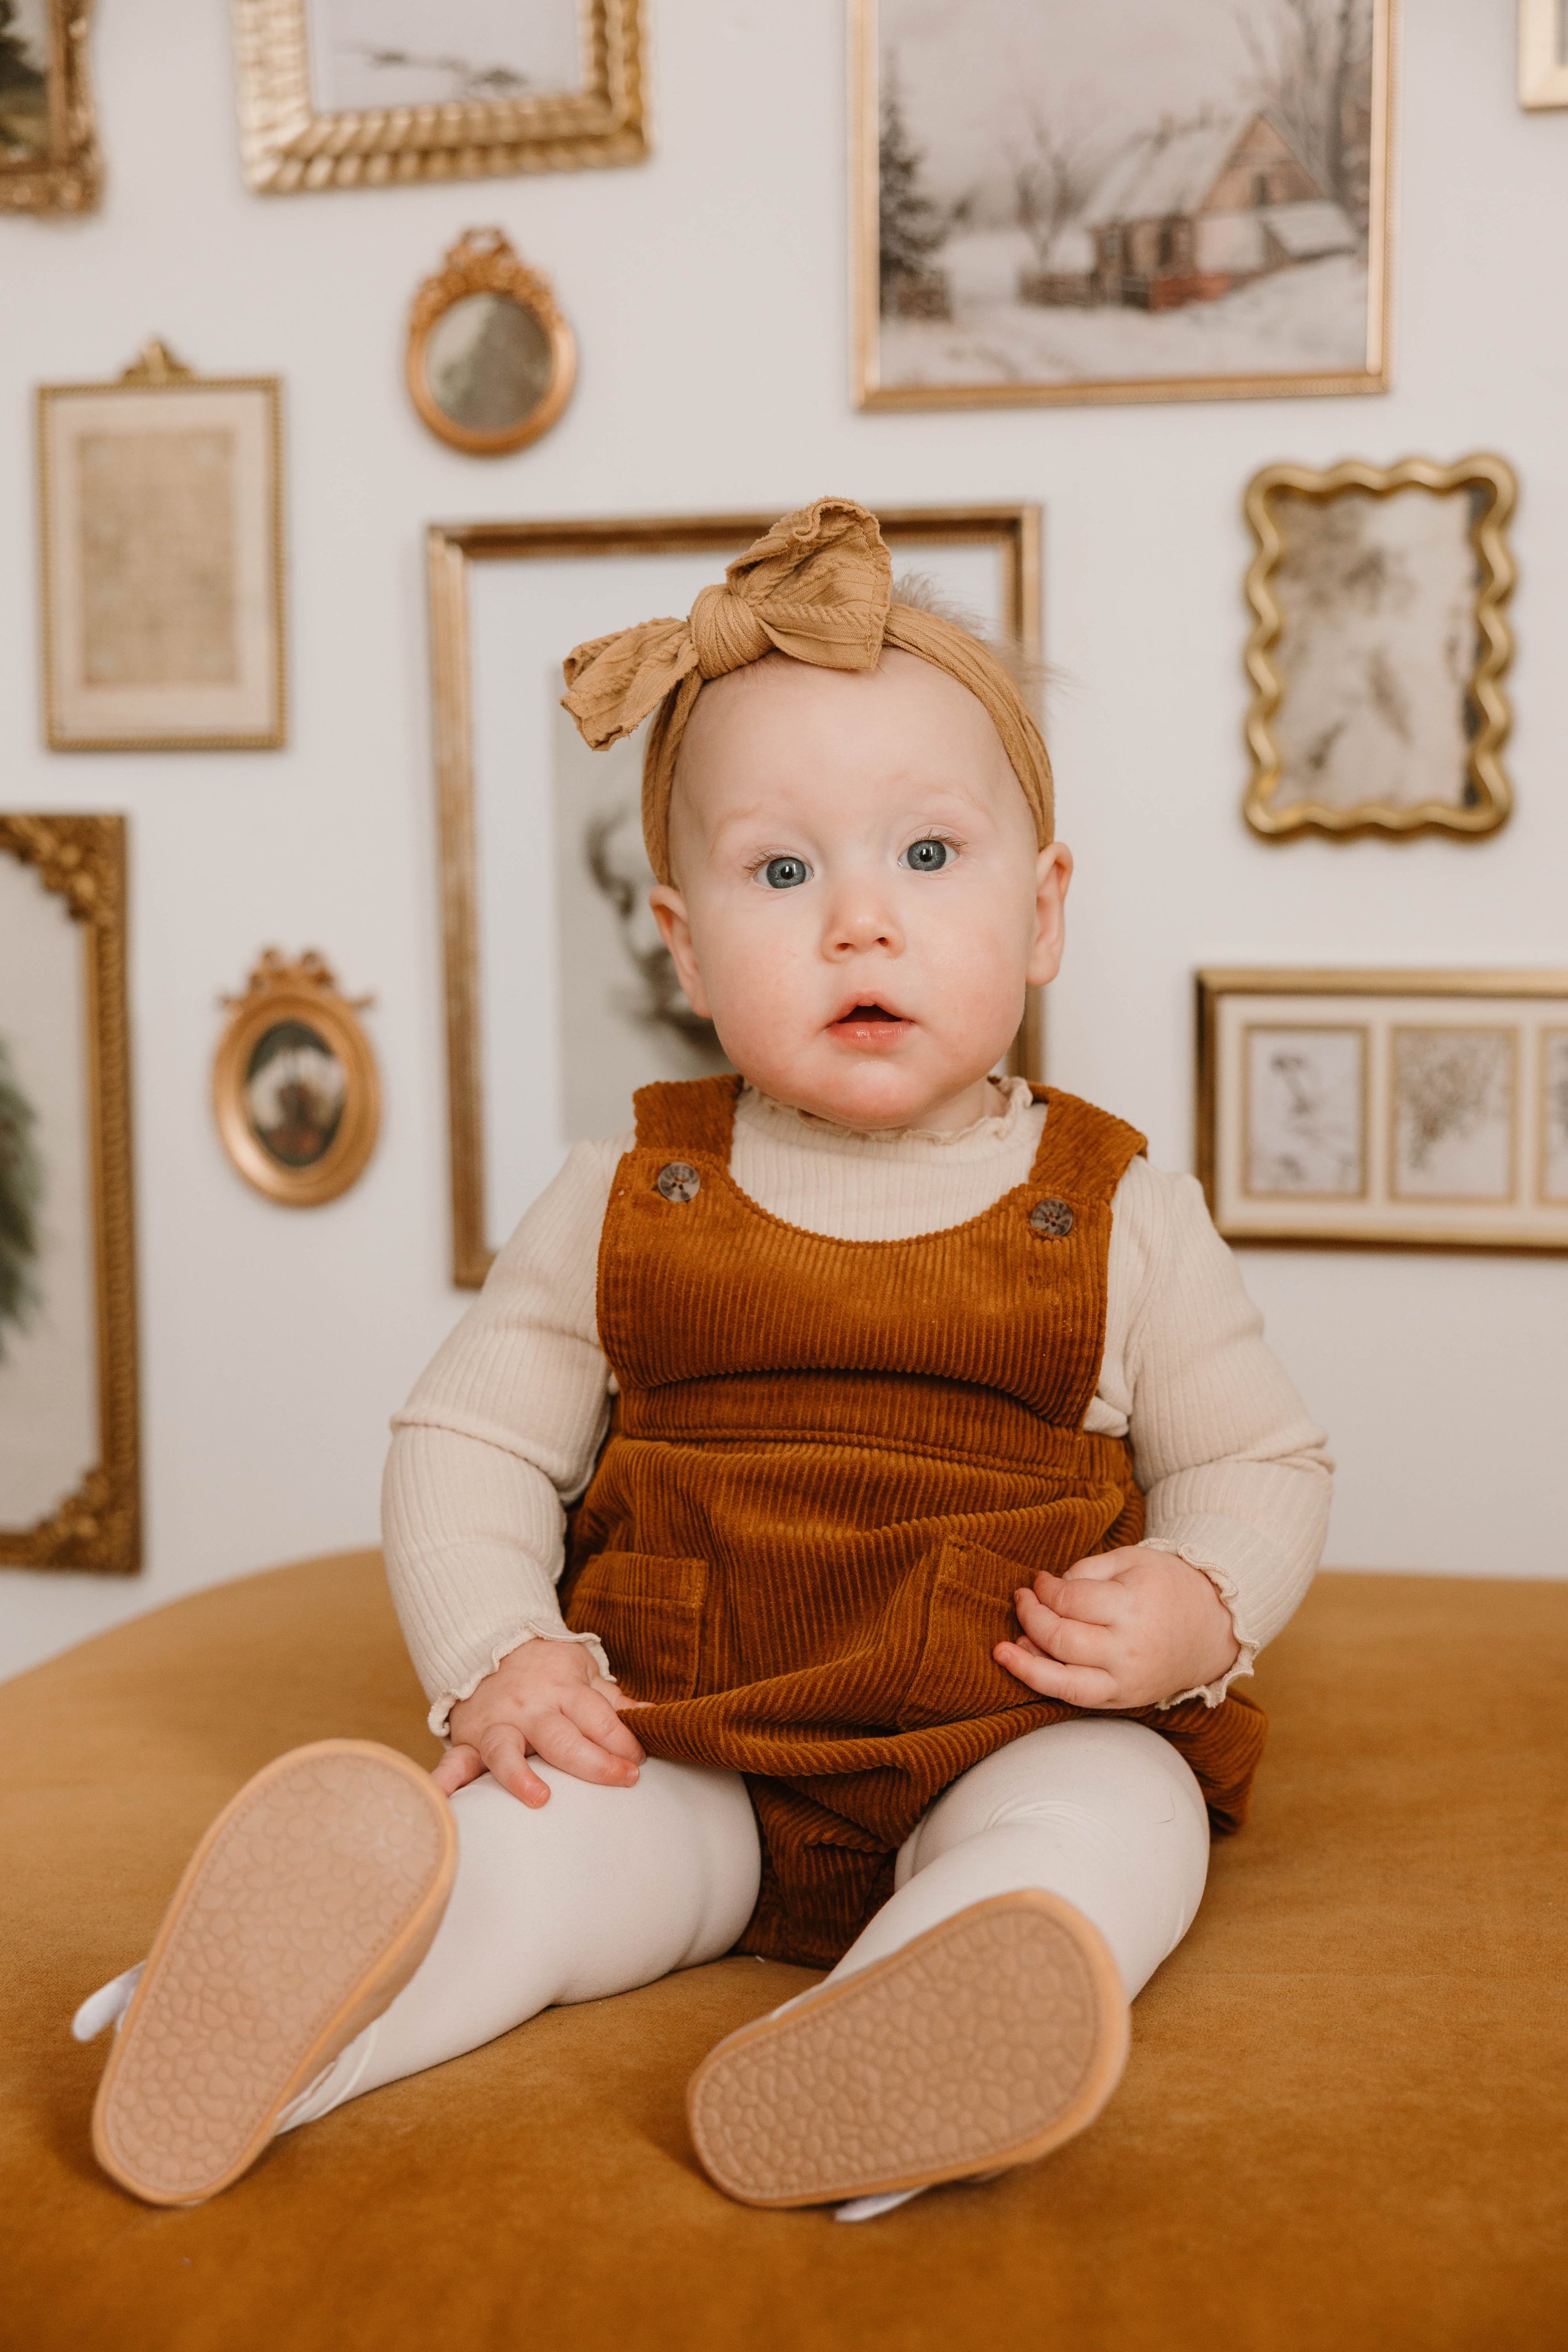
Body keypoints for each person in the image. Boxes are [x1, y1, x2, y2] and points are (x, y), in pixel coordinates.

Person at [76, 499, 1330, 2219]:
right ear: (681, 943)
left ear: (1041, 913)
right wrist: (502, 1659)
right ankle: (302, 2021)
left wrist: (1199, 1600)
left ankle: (907, 2029)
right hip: (687, 1749)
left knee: (1113, 1827)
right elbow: (467, 1442)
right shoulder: (624, 1193)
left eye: (928, 857)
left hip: (1008, 1726)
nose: (858, 924)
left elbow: (1258, 1463)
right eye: (783, 870)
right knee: (537, 1850)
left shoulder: (1116, 1210)